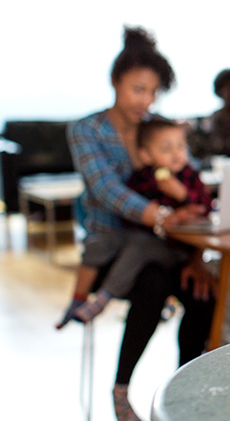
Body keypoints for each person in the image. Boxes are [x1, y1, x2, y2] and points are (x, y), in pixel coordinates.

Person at [66, 26, 217, 421]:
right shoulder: (87, 130)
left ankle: (186, 385)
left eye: (153, 92)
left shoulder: (157, 129)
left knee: (203, 292)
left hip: (172, 247)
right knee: (152, 283)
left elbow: (191, 181)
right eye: (138, 89)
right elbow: (107, 191)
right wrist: (167, 217)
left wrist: (196, 256)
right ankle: (121, 391)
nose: (146, 100)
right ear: (115, 82)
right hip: (116, 253)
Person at [57, 117, 213, 328]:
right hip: (139, 240)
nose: (177, 154)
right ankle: (78, 297)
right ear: (146, 155)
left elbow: (206, 207)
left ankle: (103, 298)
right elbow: (126, 209)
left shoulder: (190, 177)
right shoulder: (143, 179)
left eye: (181, 146)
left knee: (140, 248)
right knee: (101, 243)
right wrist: (160, 214)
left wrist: (183, 194)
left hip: (171, 248)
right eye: (167, 149)